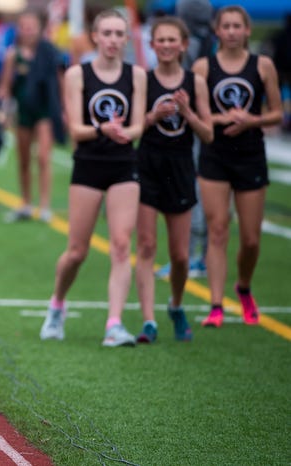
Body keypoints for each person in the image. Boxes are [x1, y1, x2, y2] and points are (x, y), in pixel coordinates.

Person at [39, 9, 146, 346]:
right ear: (95, 37)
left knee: (120, 244)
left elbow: (139, 126)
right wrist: (104, 128)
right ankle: (57, 304)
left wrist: (123, 131)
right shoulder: (77, 74)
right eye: (107, 33)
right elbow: (75, 129)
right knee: (77, 251)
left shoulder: (137, 75)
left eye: (119, 34)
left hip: (123, 166)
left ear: (126, 39)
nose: (113, 40)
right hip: (88, 165)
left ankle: (114, 324)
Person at [192, 5, 282, 328]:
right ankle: (216, 305)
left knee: (251, 239)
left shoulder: (263, 66)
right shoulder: (203, 67)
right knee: (217, 230)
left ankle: (243, 287)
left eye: (236, 26)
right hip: (214, 154)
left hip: (250, 155)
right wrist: (221, 119)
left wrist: (251, 120)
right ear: (217, 31)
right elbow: (194, 114)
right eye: (225, 26)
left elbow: (276, 112)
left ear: (247, 31)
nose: (231, 31)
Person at [134, 16, 213, 343]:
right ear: (152, 45)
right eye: (160, 40)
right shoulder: (143, 80)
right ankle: (148, 321)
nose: (166, 46)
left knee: (180, 255)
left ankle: (176, 305)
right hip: (148, 166)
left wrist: (187, 112)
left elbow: (208, 134)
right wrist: (153, 116)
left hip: (180, 168)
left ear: (183, 45)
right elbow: (133, 129)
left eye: (172, 40)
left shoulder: (194, 83)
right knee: (147, 245)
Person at [0, 11, 65, 223]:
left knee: (44, 157)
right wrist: (4, 110)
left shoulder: (50, 52)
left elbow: (61, 82)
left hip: (45, 110)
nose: (28, 30)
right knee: (24, 159)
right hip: (23, 112)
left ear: (40, 28)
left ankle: (45, 206)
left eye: (32, 26)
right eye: (24, 26)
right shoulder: (13, 54)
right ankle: (26, 203)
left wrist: (64, 109)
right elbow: (5, 87)